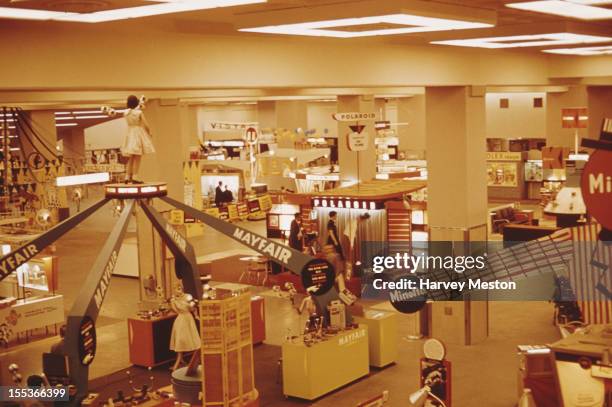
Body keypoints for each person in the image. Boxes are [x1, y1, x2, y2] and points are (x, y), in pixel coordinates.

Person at [103, 95, 155, 183]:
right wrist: (150, 133)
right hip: (138, 133)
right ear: (136, 103)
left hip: (129, 133)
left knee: (130, 158)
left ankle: (127, 177)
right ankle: (135, 177)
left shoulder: (126, 113)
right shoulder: (139, 113)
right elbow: (146, 125)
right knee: (138, 157)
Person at [169, 288, 201, 371]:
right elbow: (176, 310)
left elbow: (193, 308)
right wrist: (174, 302)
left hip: (187, 319)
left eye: (179, 288)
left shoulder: (188, 296)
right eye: (176, 289)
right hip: (181, 320)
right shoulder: (174, 300)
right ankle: (180, 360)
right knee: (180, 339)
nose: (178, 290)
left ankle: (189, 361)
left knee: (191, 338)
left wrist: (196, 315)